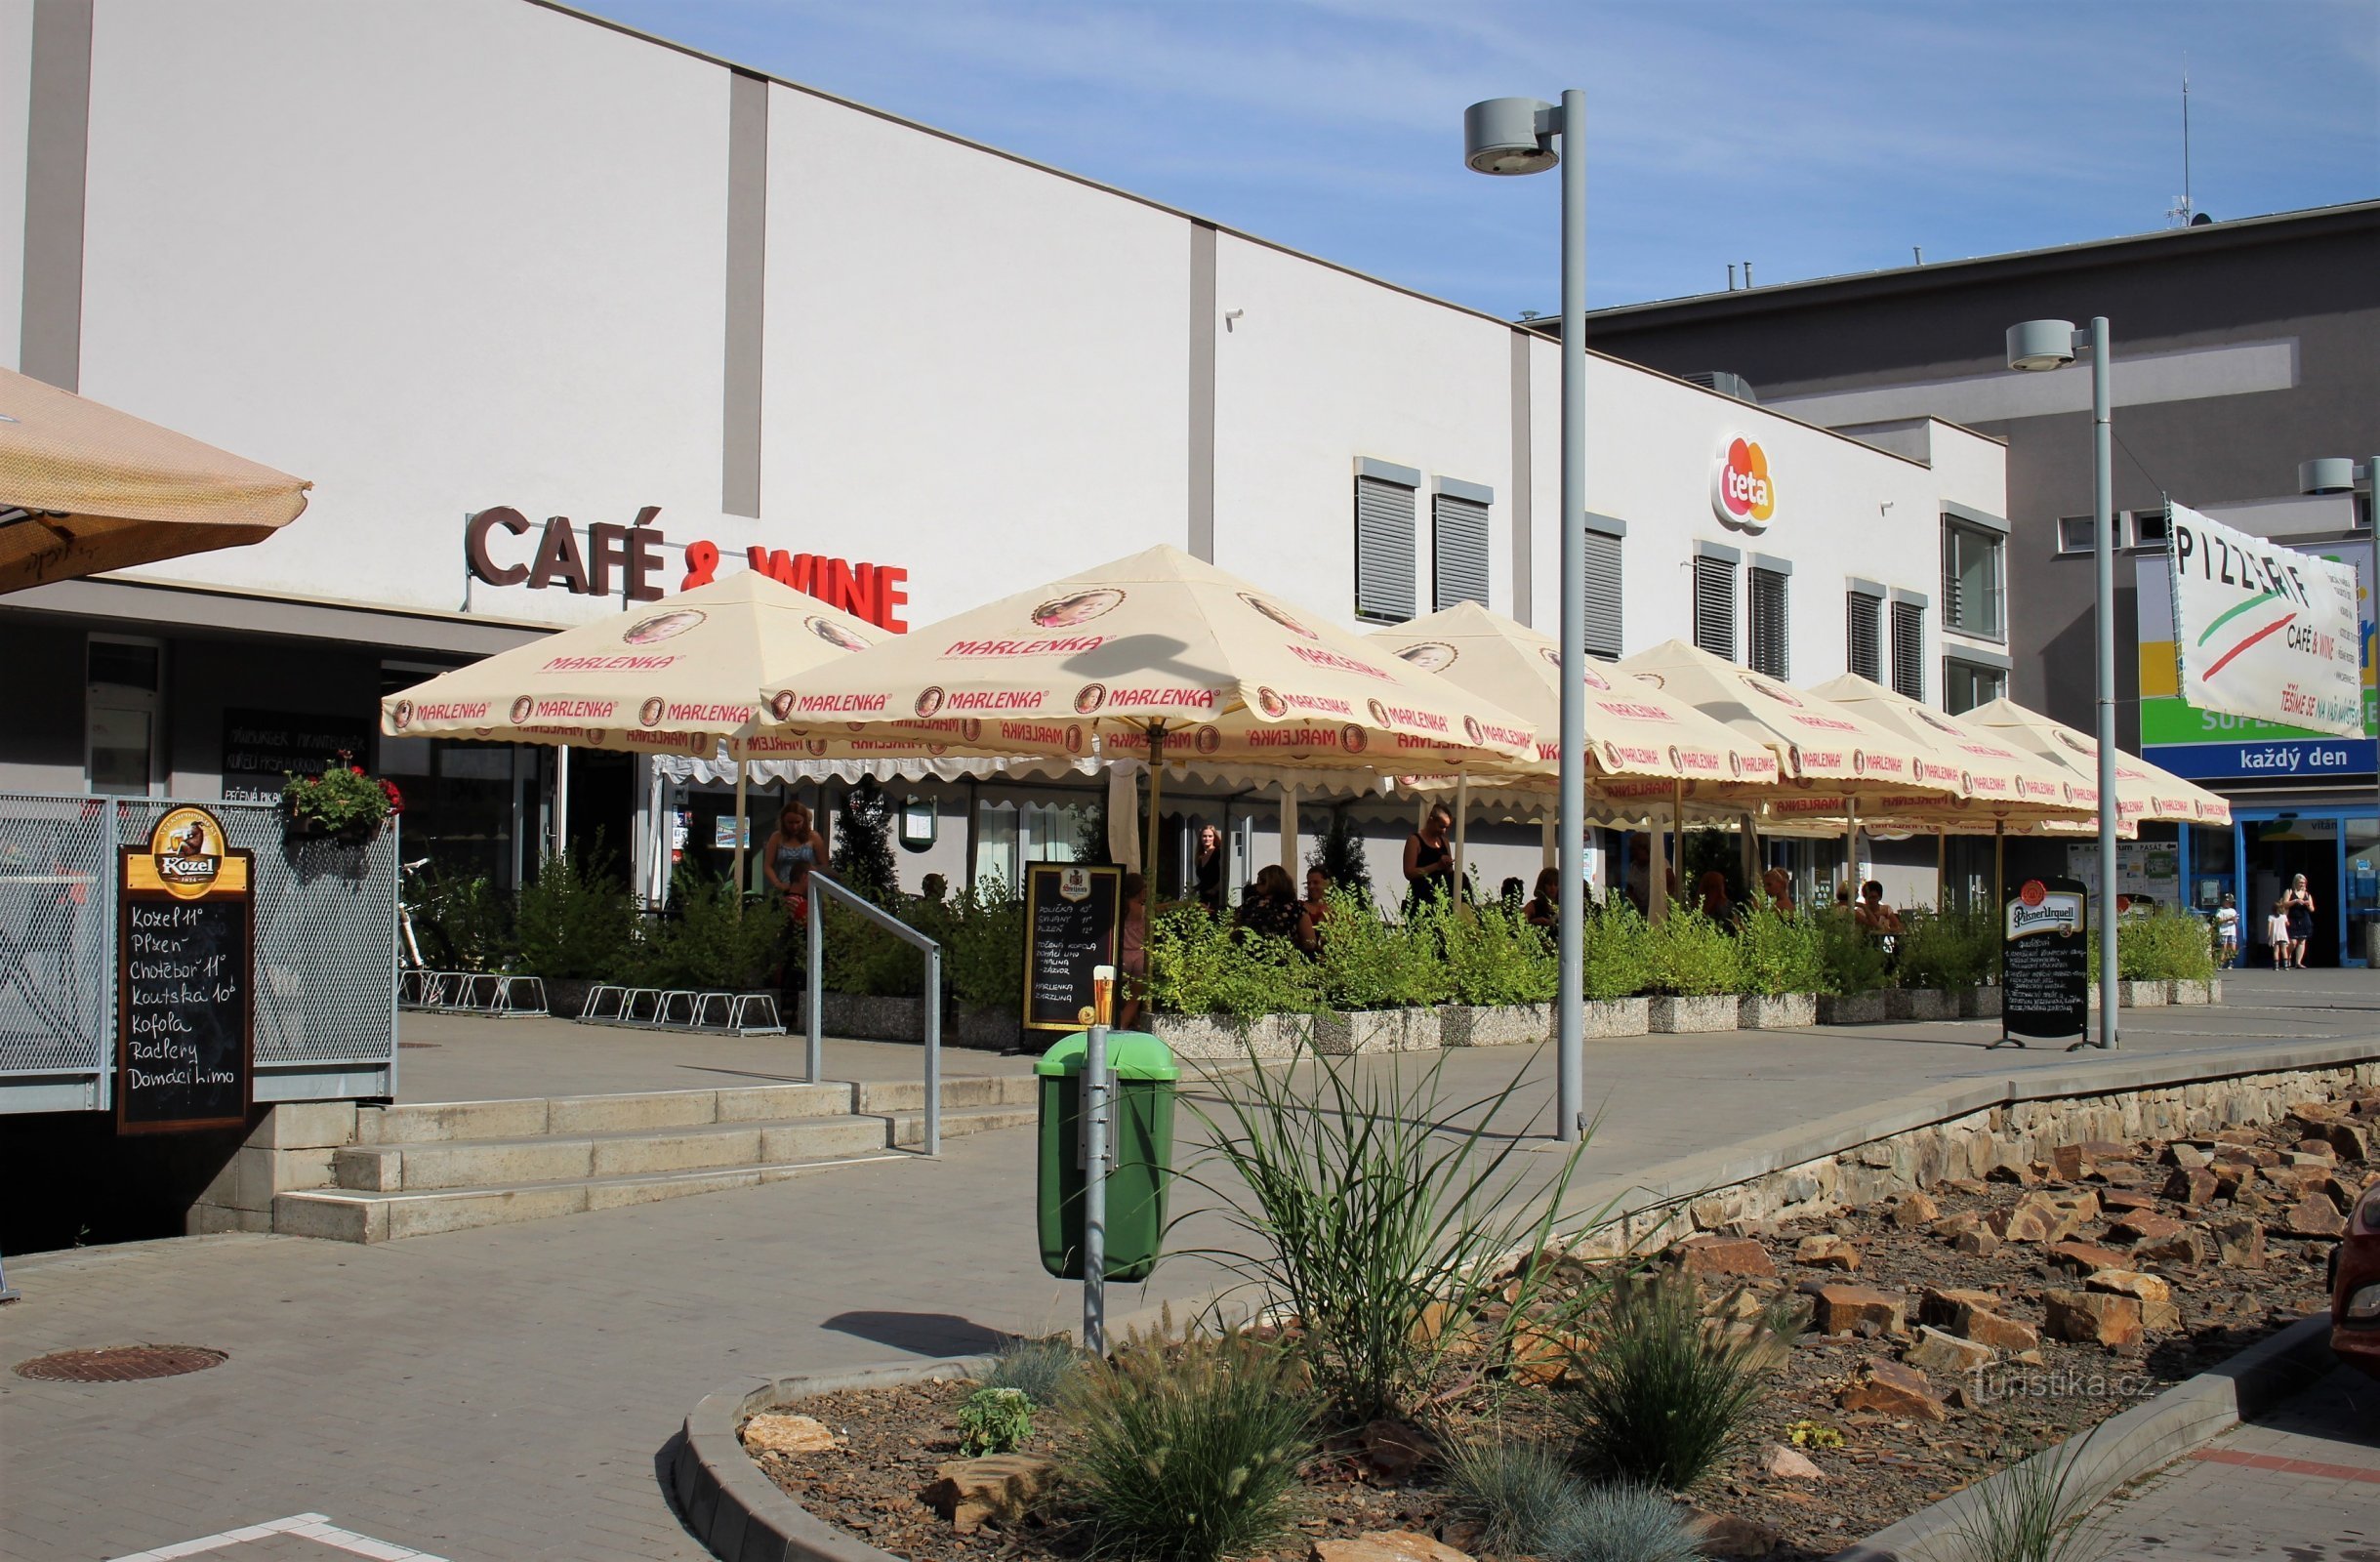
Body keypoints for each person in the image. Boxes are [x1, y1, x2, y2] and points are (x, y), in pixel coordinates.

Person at [762, 802, 829, 926]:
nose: (794, 826)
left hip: (807, 890)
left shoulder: (814, 837)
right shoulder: (776, 837)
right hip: (783, 889)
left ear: (805, 820)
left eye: (798, 822)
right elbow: (768, 866)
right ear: (783, 821)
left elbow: (824, 866)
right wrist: (778, 884)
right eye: (790, 822)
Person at [1401, 803, 1457, 919]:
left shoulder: (1444, 842)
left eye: (1447, 828)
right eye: (1441, 826)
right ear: (1431, 821)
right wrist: (1437, 865)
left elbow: (1449, 872)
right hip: (1420, 898)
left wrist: (1448, 866)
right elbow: (1409, 872)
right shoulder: (1415, 840)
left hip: (1441, 900)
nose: (1444, 831)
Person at [1234, 863, 1304, 944]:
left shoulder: (1251, 903)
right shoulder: (1296, 908)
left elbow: (1233, 924)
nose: (1256, 885)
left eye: (1259, 882)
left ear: (1268, 883)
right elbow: (1309, 942)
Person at [1621, 834, 1682, 918]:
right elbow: (1630, 889)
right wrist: (1635, 904)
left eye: (1635, 849)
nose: (1633, 853)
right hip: (1642, 911)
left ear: (1644, 848)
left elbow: (1672, 883)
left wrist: (1661, 900)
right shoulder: (1633, 867)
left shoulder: (1660, 862)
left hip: (1661, 911)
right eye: (1632, 850)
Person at [1118, 872, 1148, 1029]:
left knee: (1118, 993)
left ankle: (1133, 1022)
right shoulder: (1141, 909)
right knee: (1135, 997)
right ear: (1140, 891)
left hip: (1122, 955)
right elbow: (1164, 908)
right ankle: (1122, 1027)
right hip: (1139, 957)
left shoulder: (1120, 907)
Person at [1855, 880, 1902, 960]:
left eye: (1873, 897)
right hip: (1864, 949)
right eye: (1867, 897)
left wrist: (1887, 929)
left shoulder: (1885, 908)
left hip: (1882, 949)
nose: (1870, 900)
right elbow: (1873, 925)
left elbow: (1899, 928)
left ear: (1880, 897)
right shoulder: (1859, 911)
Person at [2284, 873, 2317, 969]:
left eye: (2304, 883)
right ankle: (2287, 957)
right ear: (2295, 882)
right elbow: (2284, 904)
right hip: (2292, 919)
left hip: (2304, 919)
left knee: (2302, 941)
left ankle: (2298, 962)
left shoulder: (2307, 894)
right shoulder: (2289, 891)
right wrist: (2295, 901)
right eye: (2300, 882)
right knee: (2293, 942)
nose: (2302, 884)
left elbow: (2312, 909)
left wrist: (2308, 904)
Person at [1298, 867, 1334, 953]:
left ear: (1327, 883)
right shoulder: (1299, 907)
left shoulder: (1338, 909)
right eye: (1309, 883)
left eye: (1316, 882)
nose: (1311, 886)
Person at [1194, 824, 1224, 914]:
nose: (1207, 839)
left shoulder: (1218, 853)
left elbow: (1223, 875)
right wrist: (1194, 888)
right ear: (1200, 838)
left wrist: (1215, 889)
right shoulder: (1200, 856)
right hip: (1202, 897)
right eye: (1204, 836)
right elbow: (1204, 879)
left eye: (1210, 836)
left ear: (1214, 837)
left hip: (1216, 898)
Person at [1524, 866, 1559, 930]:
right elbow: (1518, 924)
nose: (1553, 887)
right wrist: (1533, 922)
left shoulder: (1564, 905)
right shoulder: (1533, 906)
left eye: (1556, 884)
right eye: (1549, 884)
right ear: (1542, 885)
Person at [2213, 892, 2239, 968]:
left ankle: (2230, 961)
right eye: (2229, 902)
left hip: (2232, 931)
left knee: (2233, 947)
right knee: (2223, 947)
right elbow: (2218, 921)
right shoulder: (2220, 910)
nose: (2230, 904)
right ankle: (2221, 963)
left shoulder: (2233, 911)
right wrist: (2228, 919)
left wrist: (2234, 920)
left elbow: (2236, 921)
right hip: (2224, 931)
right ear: (2224, 901)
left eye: (2231, 902)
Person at [2268, 897, 2295, 969]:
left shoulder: (2271, 917)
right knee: (2284, 950)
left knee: (2276, 951)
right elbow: (2288, 924)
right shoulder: (2284, 917)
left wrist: (2268, 934)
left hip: (2275, 935)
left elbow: (2269, 926)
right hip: (2283, 935)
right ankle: (2286, 966)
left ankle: (2276, 966)